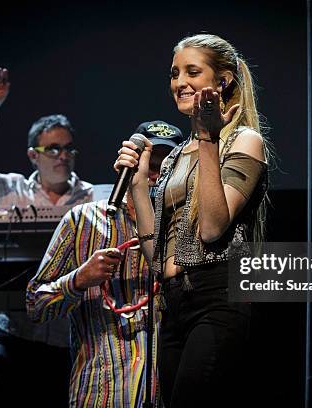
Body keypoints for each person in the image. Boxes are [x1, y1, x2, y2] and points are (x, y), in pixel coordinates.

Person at [115, 34, 269, 407]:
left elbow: (213, 227)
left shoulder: (243, 141)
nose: (179, 83)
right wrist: (137, 184)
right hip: (172, 303)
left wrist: (207, 138)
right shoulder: (174, 157)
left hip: (216, 296)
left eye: (192, 72)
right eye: (174, 73)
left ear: (223, 81)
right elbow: (156, 257)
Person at [0, 66, 93, 406]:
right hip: (11, 331)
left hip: (66, 339)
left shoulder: (94, 199)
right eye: (53, 149)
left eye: (68, 148)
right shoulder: (8, 190)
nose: (62, 155)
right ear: (33, 155)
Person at [27, 121, 183, 407]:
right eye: (148, 162)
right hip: (101, 393)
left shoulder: (183, 226)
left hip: (164, 394)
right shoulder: (82, 221)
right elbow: (35, 306)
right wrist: (78, 280)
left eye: (165, 164)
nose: (155, 173)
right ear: (130, 162)